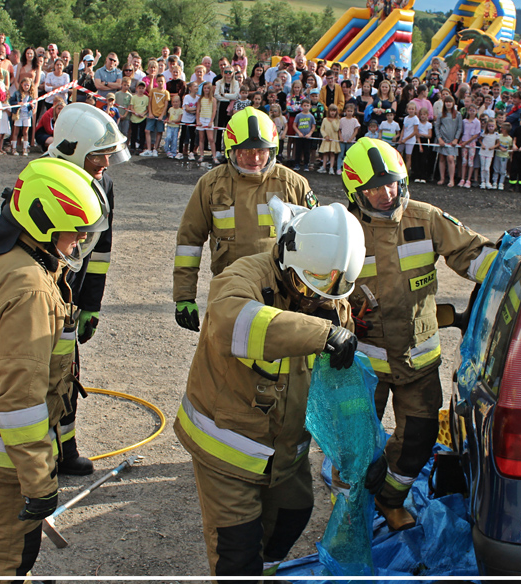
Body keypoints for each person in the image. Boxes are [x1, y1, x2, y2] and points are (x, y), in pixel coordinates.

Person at [174, 196, 369, 577]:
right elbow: (232, 322)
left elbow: (340, 386)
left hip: (285, 452)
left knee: (292, 516)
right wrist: (320, 332)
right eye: (310, 286)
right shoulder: (243, 277)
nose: (315, 297)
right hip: (229, 448)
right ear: (289, 257)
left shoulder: (327, 295)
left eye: (330, 290)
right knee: (237, 554)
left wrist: (363, 455)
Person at [0, 158, 108, 580]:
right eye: (74, 233)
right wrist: (39, 481)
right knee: (2, 557)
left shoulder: (2, 254)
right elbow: (21, 400)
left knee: (9, 545)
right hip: (5, 452)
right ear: (43, 224)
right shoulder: (31, 290)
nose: (78, 244)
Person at [340, 138, 497, 530]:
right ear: (354, 191)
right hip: (362, 366)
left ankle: (390, 500)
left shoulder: (426, 218)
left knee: (418, 441)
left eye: (391, 184)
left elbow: (475, 255)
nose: (385, 194)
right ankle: (350, 507)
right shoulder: (342, 231)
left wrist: (519, 273)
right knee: (354, 446)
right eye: (373, 188)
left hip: (418, 362)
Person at [173, 107, 319, 332]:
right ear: (231, 150)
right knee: (226, 358)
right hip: (229, 291)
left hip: (282, 296)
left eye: (262, 150)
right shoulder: (211, 185)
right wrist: (184, 296)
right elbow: (189, 242)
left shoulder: (292, 184)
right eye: (246, 151)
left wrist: (318, 300)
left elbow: (318, 243)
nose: (256, 158)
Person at [47, 102, 129, 476]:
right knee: (34, 378)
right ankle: (32, 457)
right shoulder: (42, 179)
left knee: (67, 374)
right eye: (99, 156)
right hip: (40, 298)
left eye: (109, 155)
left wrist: (91, 305)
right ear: (74, 149)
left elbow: (101, 251)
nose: (106, 164)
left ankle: (66, 451)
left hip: (72, 299)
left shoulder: (104, 185)